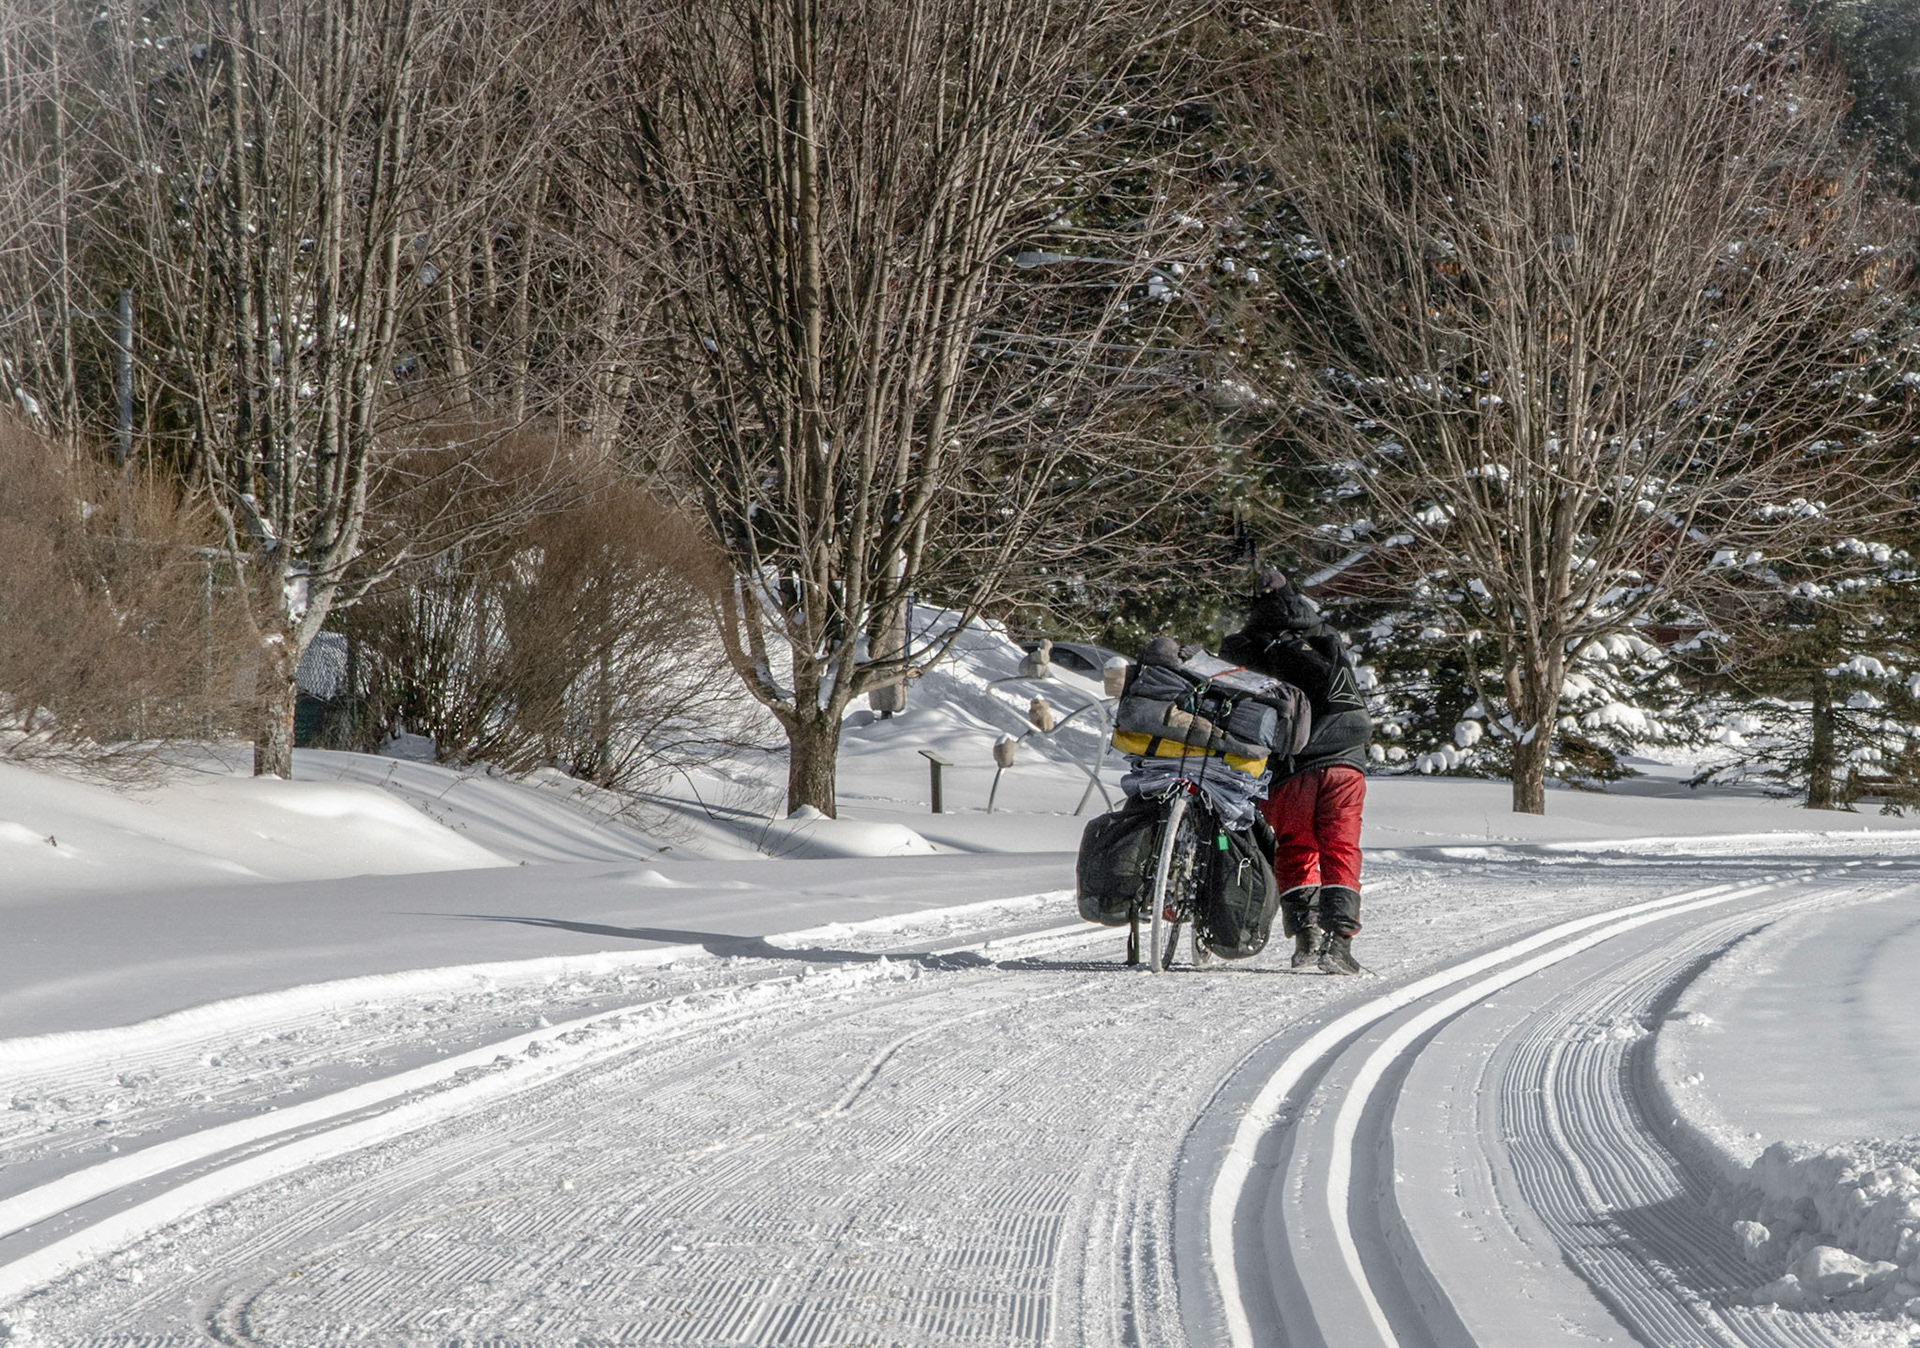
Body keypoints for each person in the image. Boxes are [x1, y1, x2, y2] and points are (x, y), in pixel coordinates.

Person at [1221, 568, 1373, 974]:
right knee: (1340, 847)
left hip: (1291, 767)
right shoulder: (1324, 637)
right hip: (1345, 761)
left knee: (1296, 847)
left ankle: (1306, 938)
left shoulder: (1245, 647)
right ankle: (1339, 945)